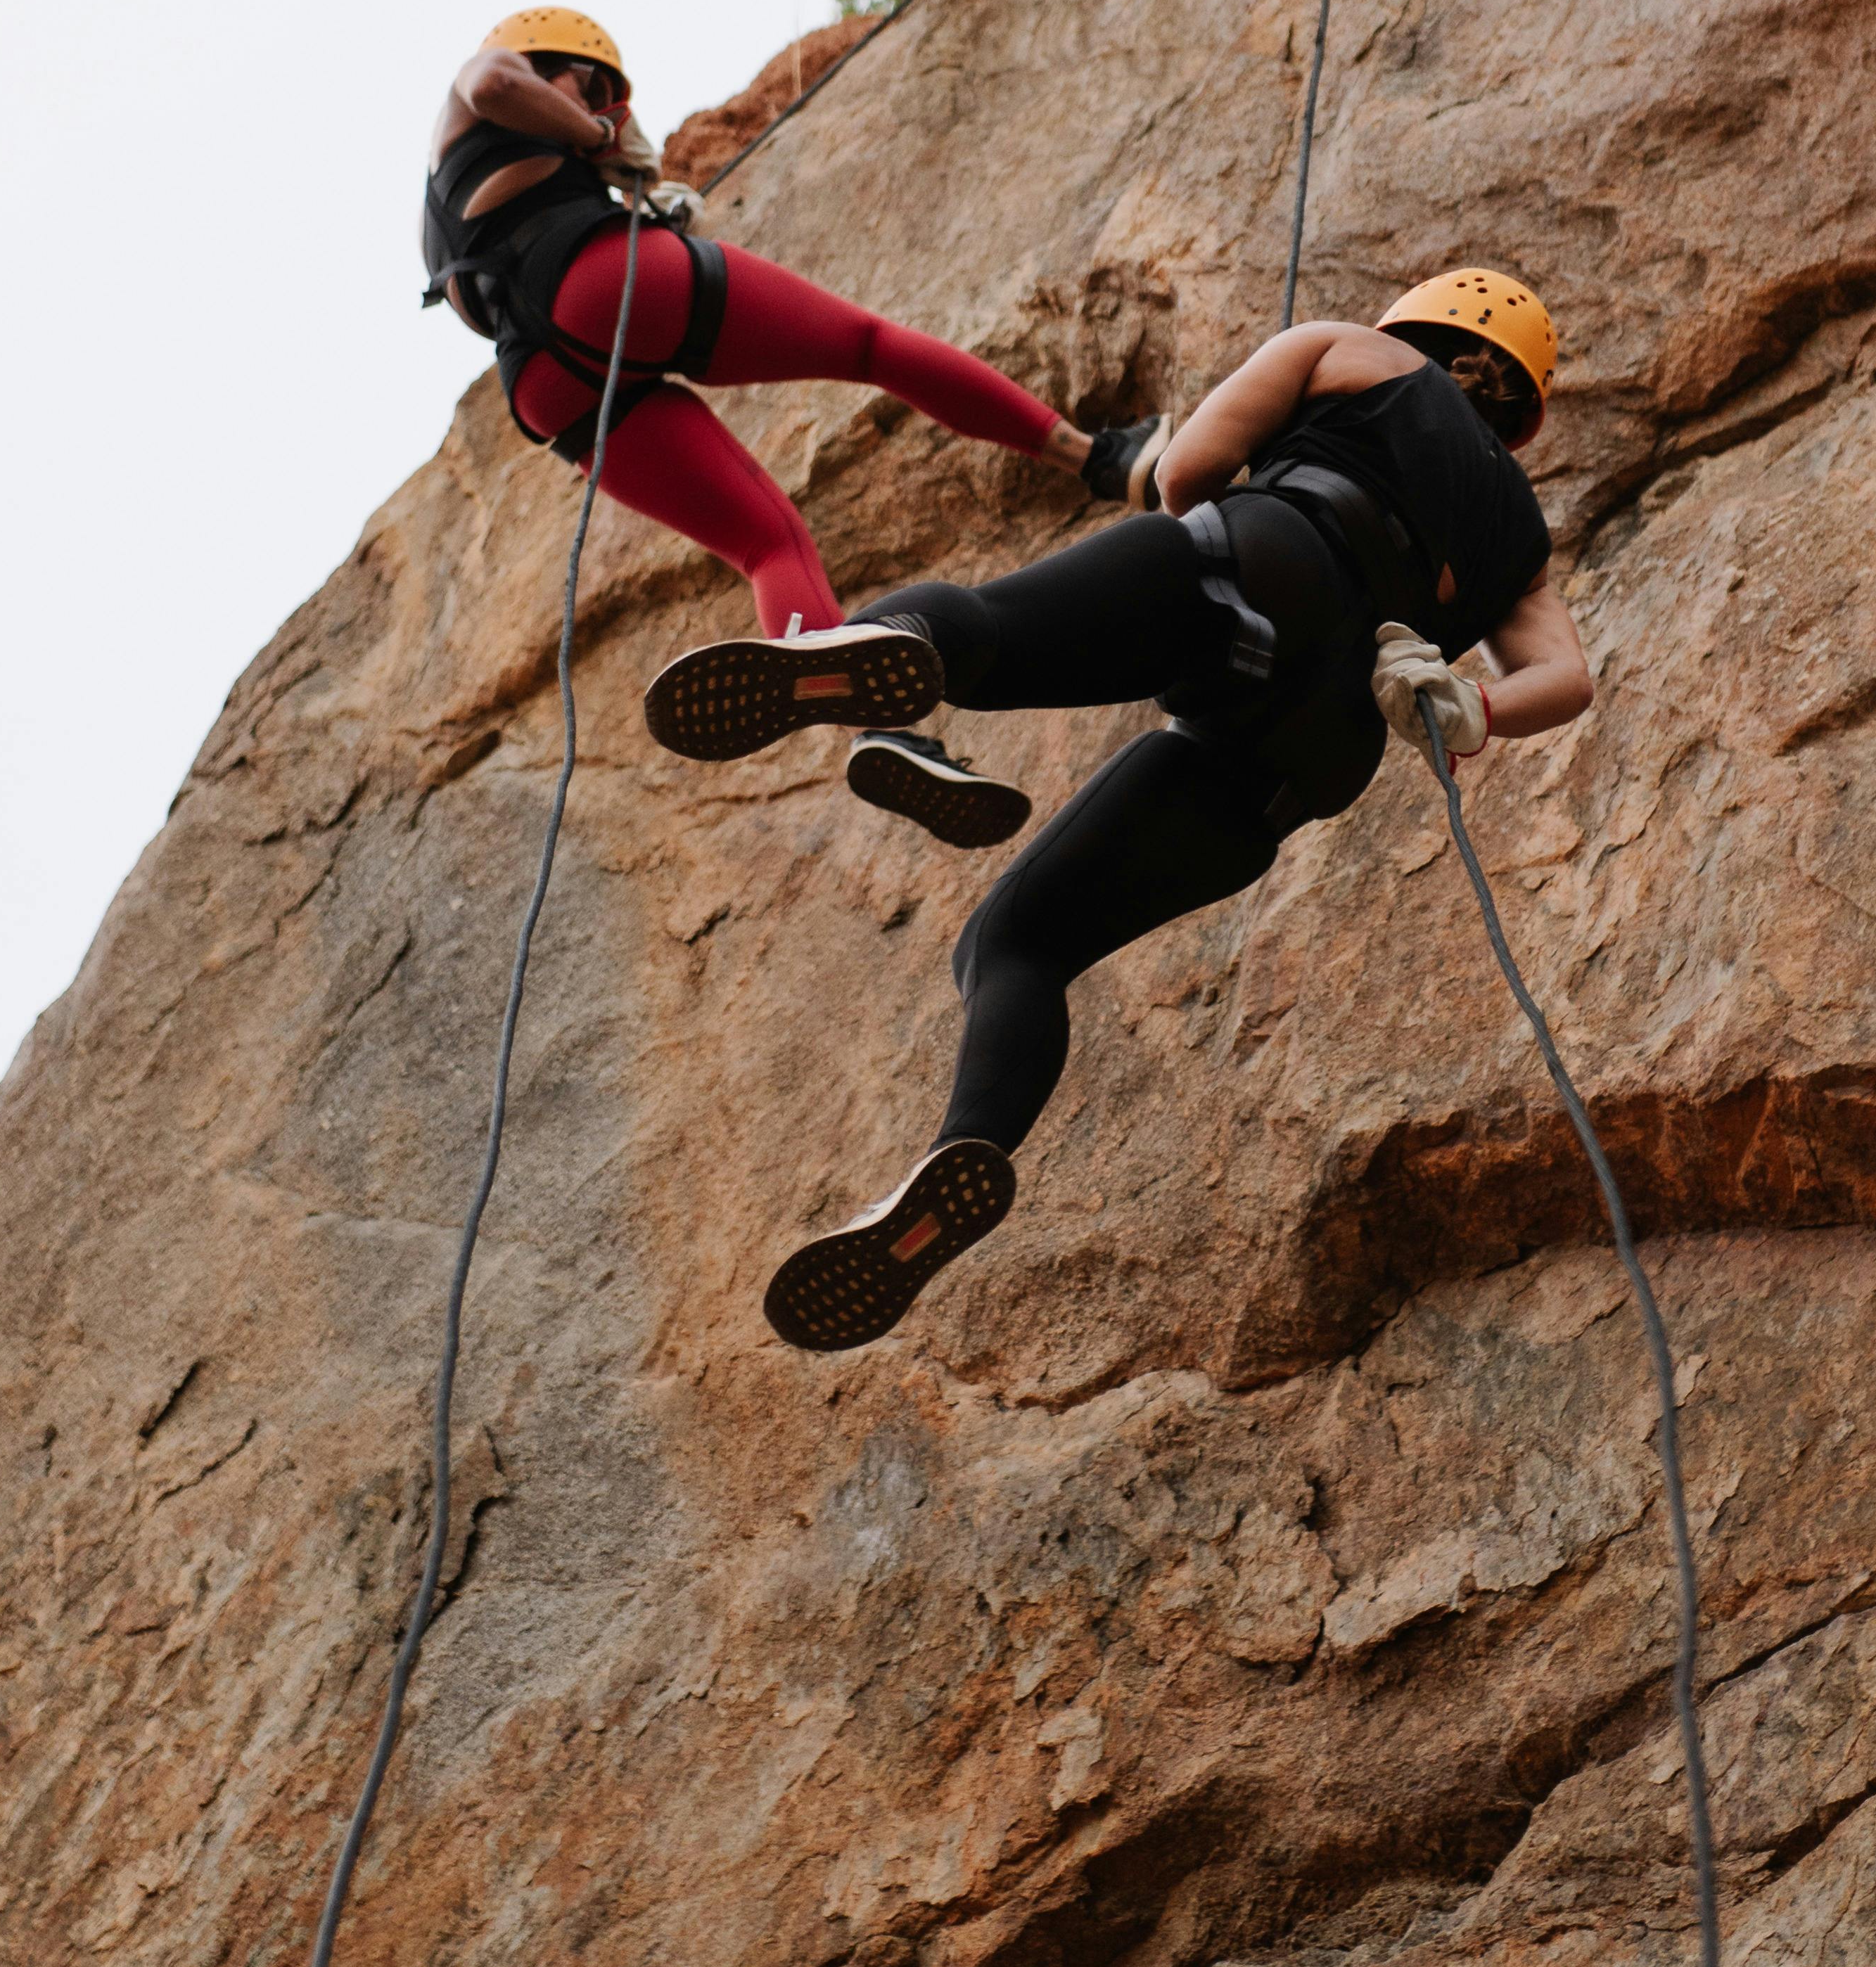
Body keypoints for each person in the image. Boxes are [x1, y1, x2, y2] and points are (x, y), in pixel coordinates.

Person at [641, 268, 1593, 1350]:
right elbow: (1565, 679)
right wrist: (1468, 704)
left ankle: (872, 655)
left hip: (1266, 562)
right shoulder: (1519, 535)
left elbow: (1185, 469)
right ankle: (964, 1147)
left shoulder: (1347, 347)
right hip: (1319, 741)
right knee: (1026, 941)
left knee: (985, 638)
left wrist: (1183, 583)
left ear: (1417, 321)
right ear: (1521, 410)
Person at [425, 7, 1170, 847]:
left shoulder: (448, 206)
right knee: (870, 346)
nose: (602, 109)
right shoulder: (486, 80)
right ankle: (1104, 458)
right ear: (544, 54)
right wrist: (598, 140)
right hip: (598, 281)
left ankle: (877, 731)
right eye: (592, 85)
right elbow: (496, 83)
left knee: (767, 543)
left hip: (542, 384)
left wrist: (622, 190)